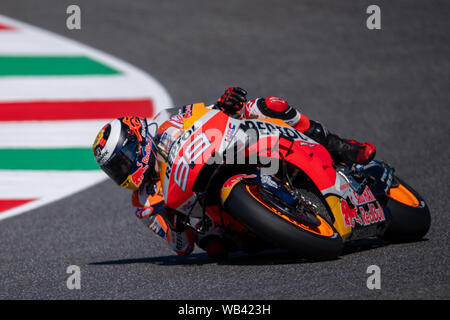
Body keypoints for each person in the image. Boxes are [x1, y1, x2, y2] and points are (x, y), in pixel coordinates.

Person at [92, 87, 376, 258]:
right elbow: (180, 247)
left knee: (268, 105)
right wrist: (177, 226)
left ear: (138, 138)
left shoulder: (166, 125)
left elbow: (203, 115)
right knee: (215, 246)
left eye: (123, 161)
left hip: (223, 153)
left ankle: (341, 146)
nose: (123, 171)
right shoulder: (143, 203)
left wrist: (227, 104)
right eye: (115, 170)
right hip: (216, 213)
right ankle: (274, 224)